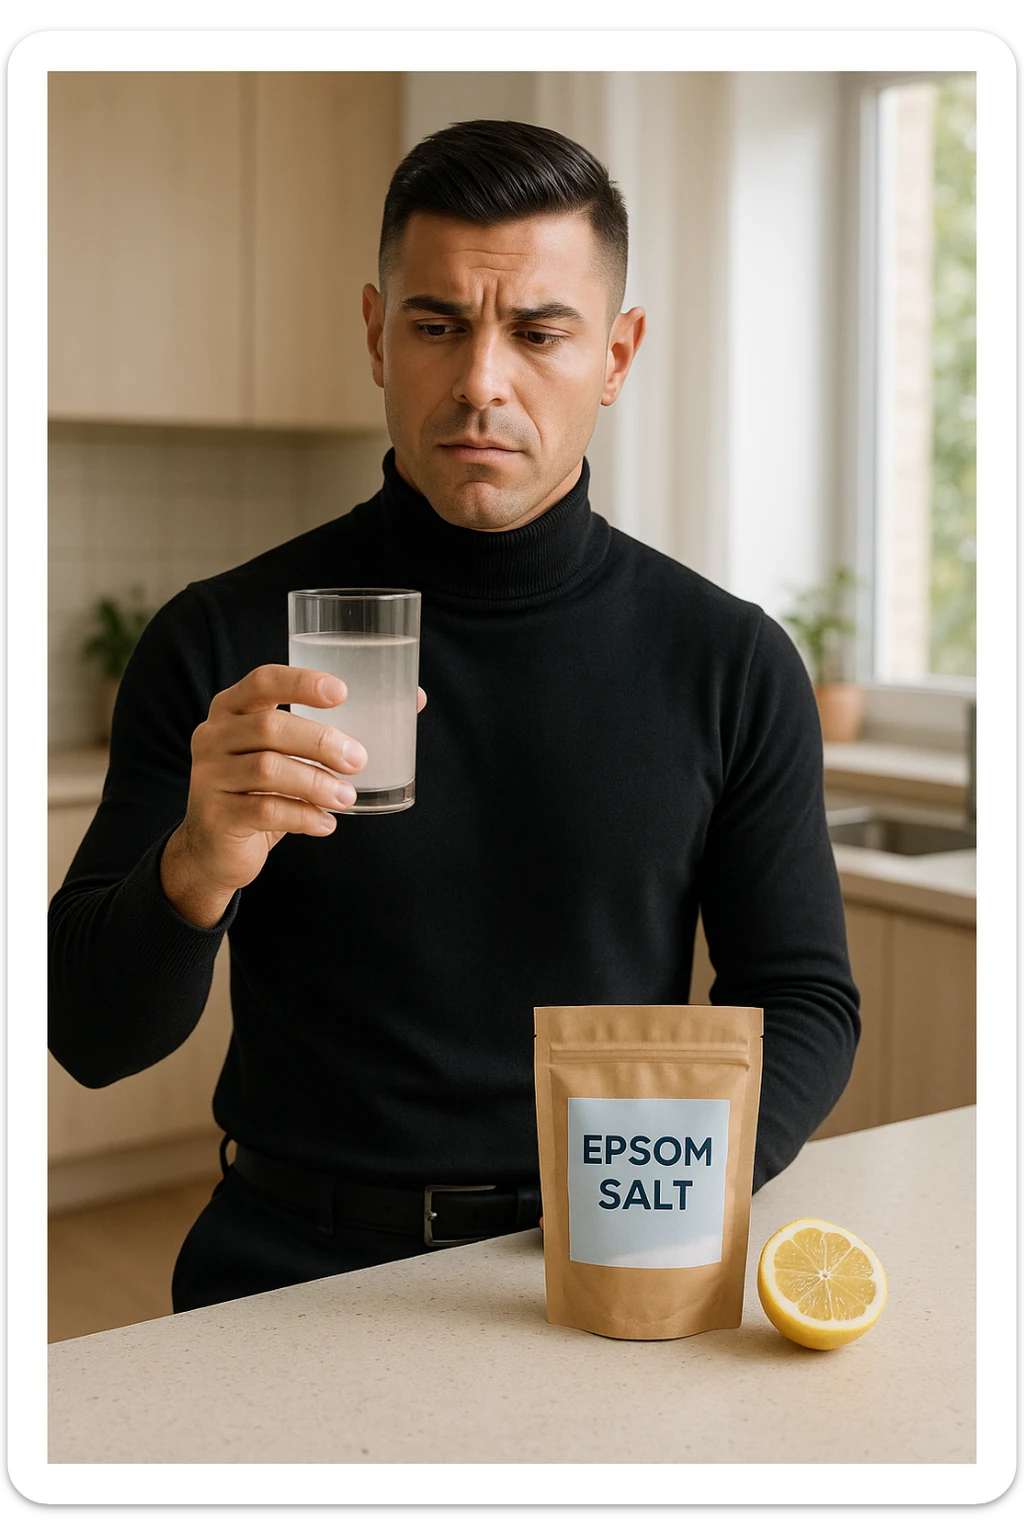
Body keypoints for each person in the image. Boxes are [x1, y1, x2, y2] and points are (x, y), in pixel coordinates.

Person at [48, 119, 861, 1312]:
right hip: (281, 1274)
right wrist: (194, 866)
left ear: (619, 355)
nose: (482, 380)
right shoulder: (222, 640)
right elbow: (89, 1035)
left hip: (597, 1269)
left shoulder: (727, 660)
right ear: (378, 336)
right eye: (437, 325)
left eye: (540, 332)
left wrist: (653, 1186)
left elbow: (802, 1002)